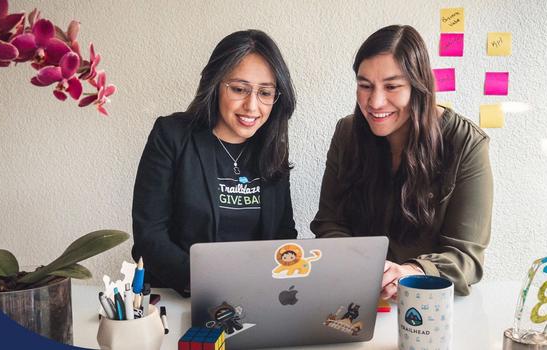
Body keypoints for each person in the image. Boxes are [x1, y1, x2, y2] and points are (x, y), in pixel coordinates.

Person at [311, 25, 493, 299]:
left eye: (392, 86)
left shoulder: (465, 142)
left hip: (427, 302)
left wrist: (411, 271)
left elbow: (467, 256)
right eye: (365, 86)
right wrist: (362, 265)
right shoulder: (347, 134)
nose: (375, 101)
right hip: (355, 296)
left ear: (419, 87)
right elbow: (329, 224)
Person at [132, 30, 297, 297]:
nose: (252, 106)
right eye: (240, 89)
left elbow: (283, 232)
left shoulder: (272, 148)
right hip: (182, 297)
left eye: (265, 93)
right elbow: (150, 237)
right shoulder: (171, 136)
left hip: (257, 298)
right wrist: (211, 282)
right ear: (215, 83)